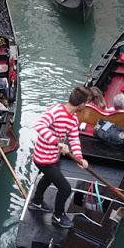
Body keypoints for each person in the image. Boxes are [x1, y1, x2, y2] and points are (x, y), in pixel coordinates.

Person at [28, 86, 89, 228]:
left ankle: (36, 202)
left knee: (48, 178)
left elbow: (74, 140)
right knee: (65, 189)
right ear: (81, 104)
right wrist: (58, 143)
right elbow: (39, 125)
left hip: (53, 157)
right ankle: (58, 216)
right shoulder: (56, 111)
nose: (85, 106)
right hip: (43, 158)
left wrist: (79, 159)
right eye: (85, 103)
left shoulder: (73, 119)